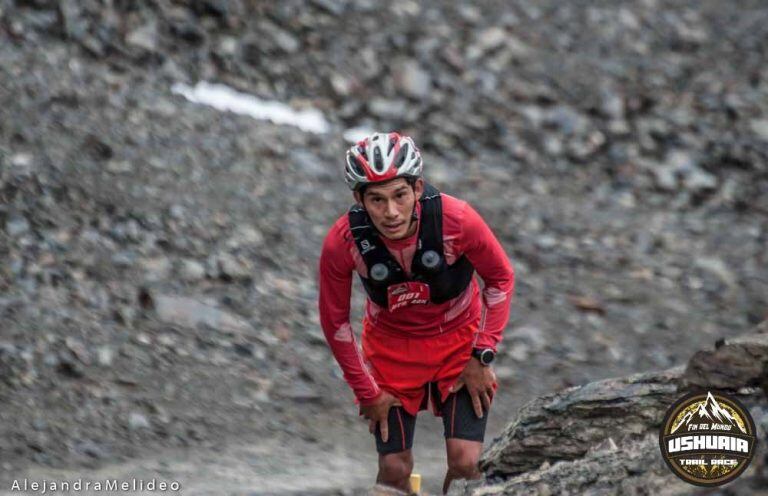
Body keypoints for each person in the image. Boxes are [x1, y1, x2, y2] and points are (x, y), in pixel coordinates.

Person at [317, 132, 514, 494]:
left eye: (399, 195)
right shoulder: (342, 241)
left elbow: (500, 279)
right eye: (376, 199)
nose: (390, 212)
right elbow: (335, 322)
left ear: (418, 188)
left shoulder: (458, 219)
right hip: (390, 351)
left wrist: (481, 354)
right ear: (359, 199)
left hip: (460, 342)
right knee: (393, 469)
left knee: (466, 462)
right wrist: (367, 392)